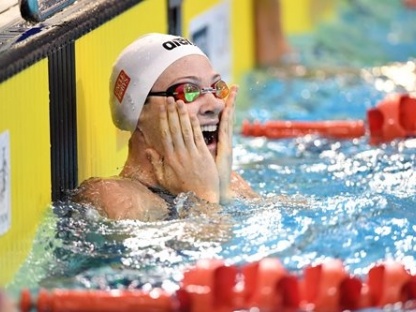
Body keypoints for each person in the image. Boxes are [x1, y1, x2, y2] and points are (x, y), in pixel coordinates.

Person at [72, 33, 259, 221]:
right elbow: (211, 248)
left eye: (217, 87)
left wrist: (224, 194)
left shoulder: (228, 181)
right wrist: (204, 198)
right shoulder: (112, 197)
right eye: (188, 91)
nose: (216, 105)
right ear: (139, 111)